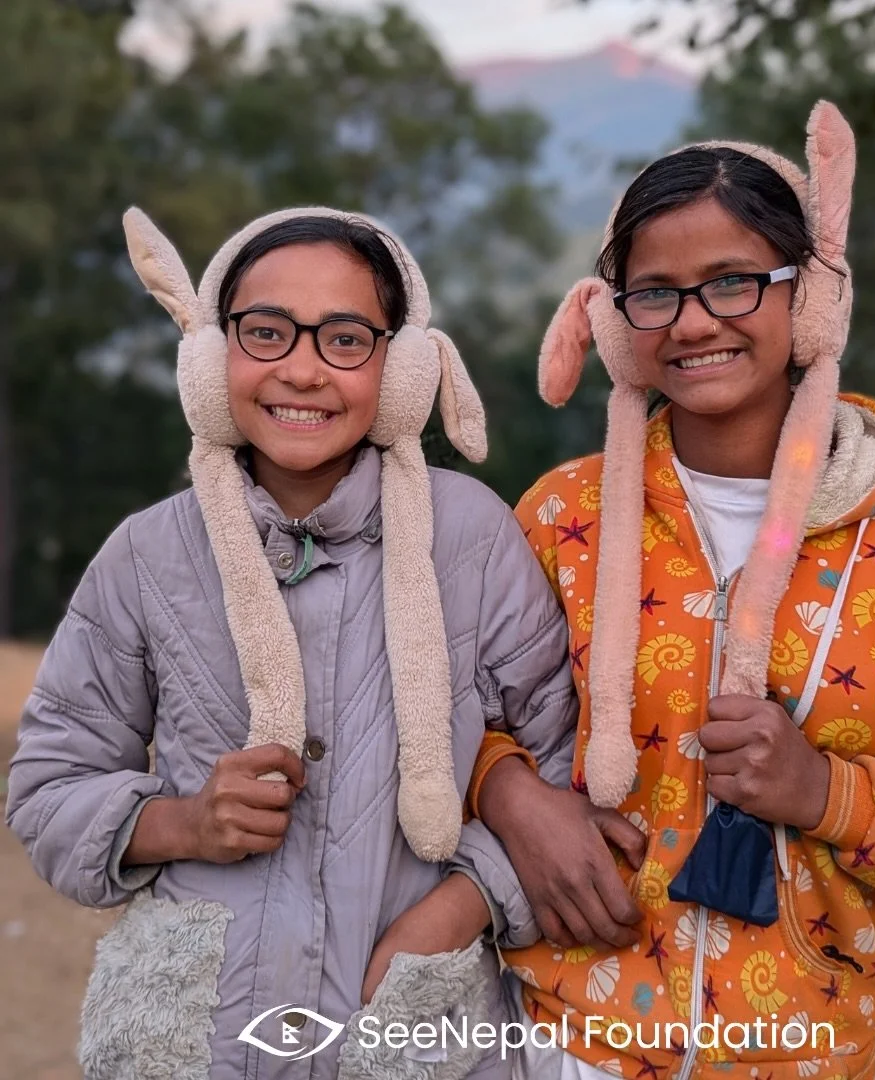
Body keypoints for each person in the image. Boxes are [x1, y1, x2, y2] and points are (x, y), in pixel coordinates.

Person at [471, 102, 875, 1080]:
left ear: (813, 298)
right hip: (553, 1042)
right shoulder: (559, 518)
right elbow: (443, 713)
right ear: (617, 320)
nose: (694, 321)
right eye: (655, 293)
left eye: (734, 283)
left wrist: (825, 792)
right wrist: (509, 792)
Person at [4, 206, 579, 1080]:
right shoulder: (148, 554)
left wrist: (466, 905)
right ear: (212, 353)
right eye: (265, 332)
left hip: (414, 1034)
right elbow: (49, 785)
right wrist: (182, 822)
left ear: (399, 366)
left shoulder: (472, 539)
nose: (302, 371)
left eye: (346, 339)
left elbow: (560, 760)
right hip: (200, 1046)